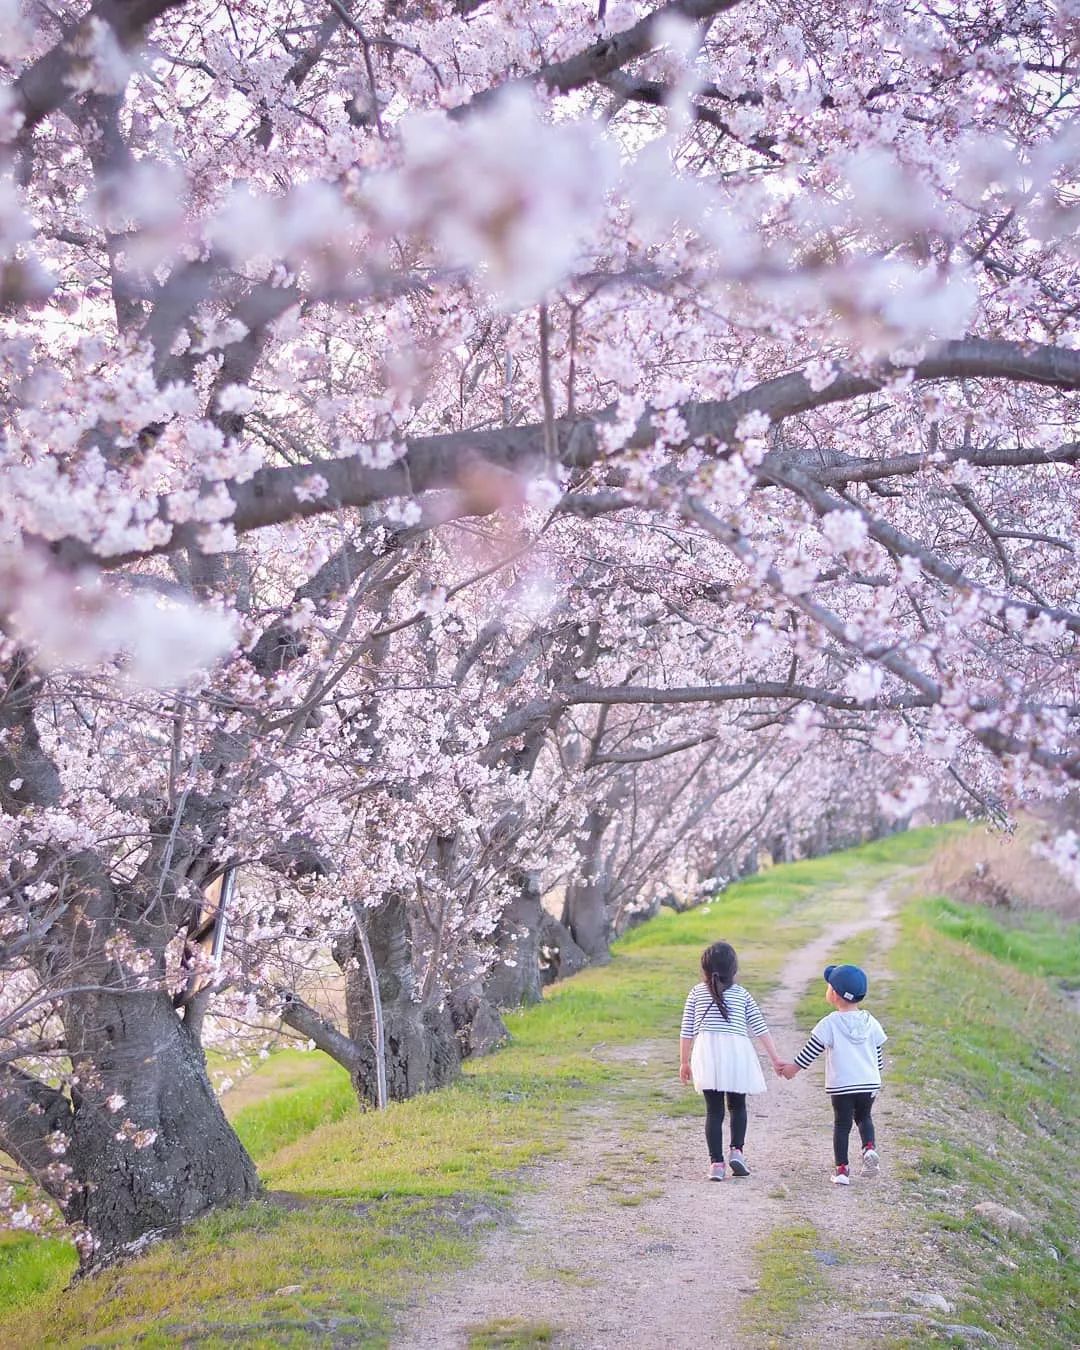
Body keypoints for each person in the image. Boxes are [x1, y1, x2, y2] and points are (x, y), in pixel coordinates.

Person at [679, 940, 784, 1180]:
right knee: (737, 1106)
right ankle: (737, 1151)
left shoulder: (696, 992)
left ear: (705, 969)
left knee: (714, 1112)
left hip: (708, 1053)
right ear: (733, 969)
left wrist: (684, 1062)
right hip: (737, 1052)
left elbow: (686, 1031)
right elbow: (759, 1027)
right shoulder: (741, 994)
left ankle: (716, 1164)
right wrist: (775, 1058)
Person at [780, 963, 887, 1185]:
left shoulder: (830, 1023)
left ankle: (841, 1171)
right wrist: (875, 1075)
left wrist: (792, 1069)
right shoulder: (870, 1021)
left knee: (842, 1125)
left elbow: (811, 1051)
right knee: (864, 1117)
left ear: (835, 994)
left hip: (843, 1085)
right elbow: (878, 1054)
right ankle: (868, 1148)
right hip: (868, 1083)